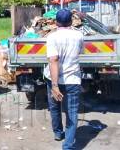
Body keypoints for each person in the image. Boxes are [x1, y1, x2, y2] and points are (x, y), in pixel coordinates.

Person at [44, 9, 84, 150]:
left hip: (53, 80)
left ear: (56, 22)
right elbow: (80, 52)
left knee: (55, 107)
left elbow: (53, 60)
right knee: (71, 112)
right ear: (71, 21)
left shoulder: (52, 37)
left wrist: (55, 85)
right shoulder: (78, 35)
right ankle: (67, 146)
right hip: (72, 79)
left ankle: (58, 133)